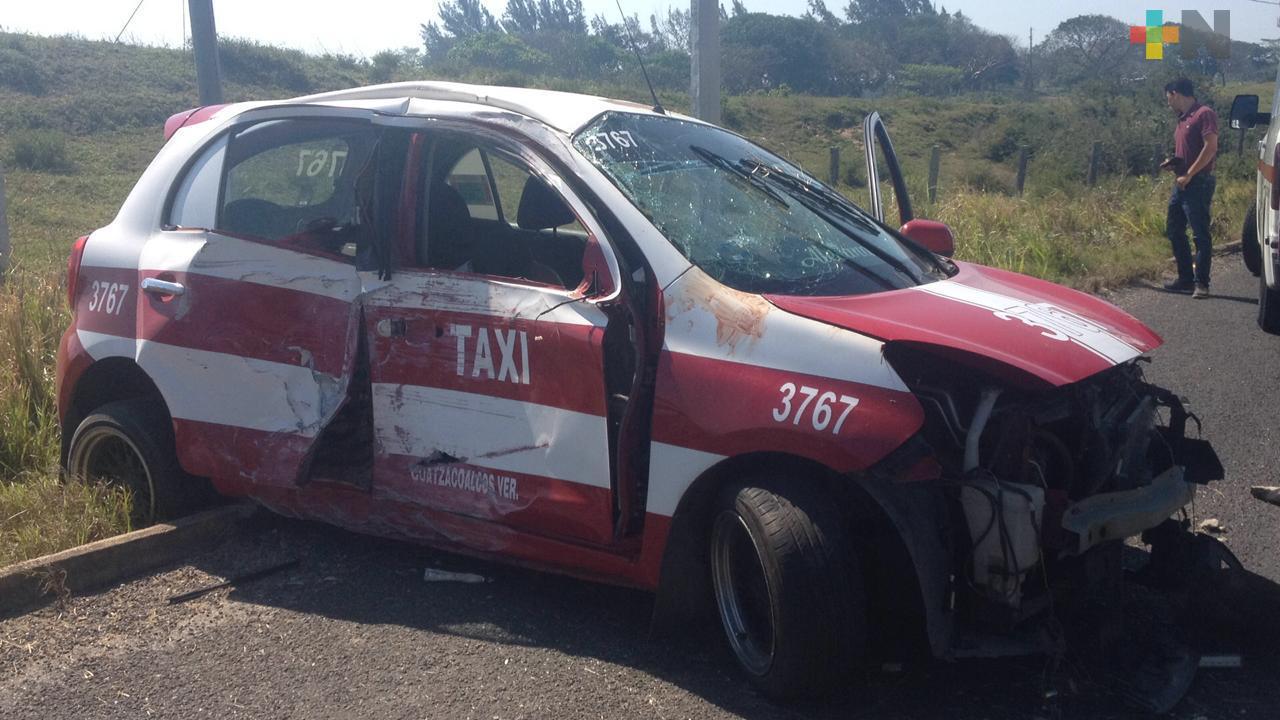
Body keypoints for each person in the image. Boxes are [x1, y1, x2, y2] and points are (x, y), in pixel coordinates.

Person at [1160, 77, 1219, 299]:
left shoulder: (1204, 114)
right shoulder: (1182, 119)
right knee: (1174, 229)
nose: (1168, 103)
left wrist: (1190, 174)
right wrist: (1174, 163)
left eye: (1168, 98)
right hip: (1181, 182)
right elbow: (1188, 151)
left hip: (1198, 182)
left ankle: (1201, 284)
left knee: (1200, 234)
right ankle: (1185, 279)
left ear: (1175, 93)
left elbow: (1211, 147)